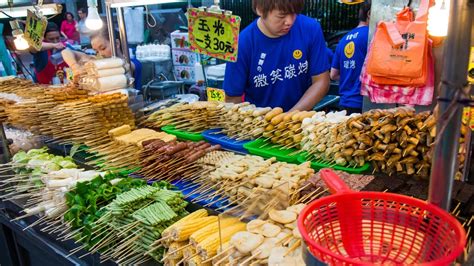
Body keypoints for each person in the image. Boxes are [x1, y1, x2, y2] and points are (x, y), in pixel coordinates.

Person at [223, 0, 330, 111]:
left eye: (294, 13)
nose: (289, 22)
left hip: (301, 119)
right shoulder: (242, 43)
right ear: (260, 9)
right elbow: (232, 98)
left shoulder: (310, 29)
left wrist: (289, 117)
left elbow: (321, 81)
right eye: (281, 16)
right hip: (260, 123)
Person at [62, 27, 142, 91]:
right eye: (96, 51)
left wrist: (90, 68)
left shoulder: (133, 63)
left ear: (116, 43)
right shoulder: (97, 61)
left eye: (103, 48)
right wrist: (75, 67)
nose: (100, 54)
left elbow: (125, 66)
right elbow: (66, 52)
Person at [330, 0, 371, 114]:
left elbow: (333, 74)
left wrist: (350, 76)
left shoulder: (344, 39)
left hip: (345, 103)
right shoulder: (372, 35)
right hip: (365, 103)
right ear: (369, 14)